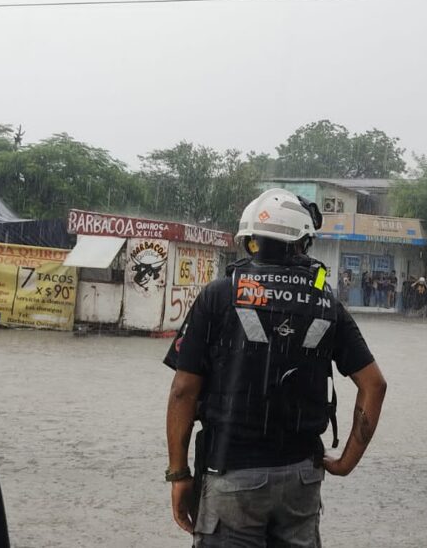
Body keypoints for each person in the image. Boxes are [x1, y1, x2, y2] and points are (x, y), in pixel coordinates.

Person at [164, 188, 388, 547]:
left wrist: (179, 475)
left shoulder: (218, 295)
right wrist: (346, 461)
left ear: (250, 241)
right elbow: (374, 384)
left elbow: (183, 391)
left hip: (231, 474)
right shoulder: (326, 301)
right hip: (302, 478)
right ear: (303, 242)